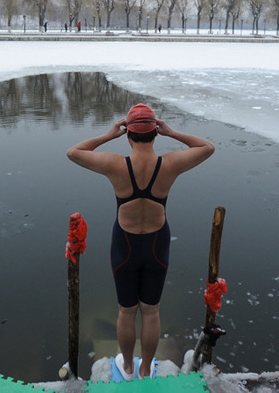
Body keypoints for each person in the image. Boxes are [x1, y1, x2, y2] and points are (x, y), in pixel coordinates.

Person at [66, 104, 214, 380]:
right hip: (157, 245)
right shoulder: (169, 164)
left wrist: (108, 136)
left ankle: (129, 368)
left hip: (125, 246)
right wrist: (171, 132)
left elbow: (73, 153)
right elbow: (207, 147)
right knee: (151, 311)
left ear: (128, 135)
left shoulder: (115, 165)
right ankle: (146, 368)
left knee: (126, 311)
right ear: (155, 134)